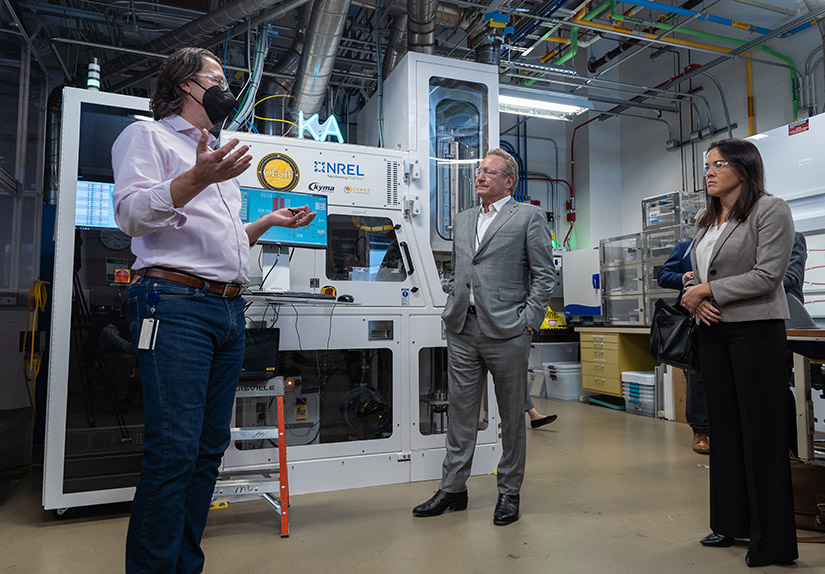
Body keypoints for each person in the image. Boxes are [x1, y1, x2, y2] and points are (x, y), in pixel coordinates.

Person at [112, 47, 315, 574]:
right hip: (175, 305)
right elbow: (131, 215)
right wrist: (196, 178)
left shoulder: (219, 155)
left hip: (226, 311)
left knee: (206, 451)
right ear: (185, 83)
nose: (227, 87)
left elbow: (218, 242)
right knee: (174, 450)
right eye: (217, 77)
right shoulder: (147, 136)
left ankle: (185, 566)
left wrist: (269, 223)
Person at [412, 149, 555, 526]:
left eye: (490, 172)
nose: (481, 177)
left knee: (511, 417)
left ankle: (509, 492)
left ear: (510, 181)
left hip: (508, 331)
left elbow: (544, 275)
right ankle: (453, 488)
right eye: (479, 171)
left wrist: (529, 322)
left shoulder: (528, 217)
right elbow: (463, 268)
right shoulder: (462, 220)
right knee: (460, 414)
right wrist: (452, 297)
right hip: (463, 328)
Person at [680, 138, 797, 568]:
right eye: (706, 165)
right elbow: (699, 271)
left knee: (762, 435)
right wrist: (694, 291)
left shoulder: (770, 209)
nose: (708, 172)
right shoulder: (706, 219)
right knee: (724, 431)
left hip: (756, 333)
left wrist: (708, 290)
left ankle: (773, 542)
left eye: (718, 164)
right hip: (713, 332)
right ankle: (730, 522)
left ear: (744, 168)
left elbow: (768, 275)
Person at [656, 240, 709, 454]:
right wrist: (683, 278)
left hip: (725, 313)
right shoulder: (685, 247)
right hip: (692, 317)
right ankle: (700, 432)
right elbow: (663, 276)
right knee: (697, 378)